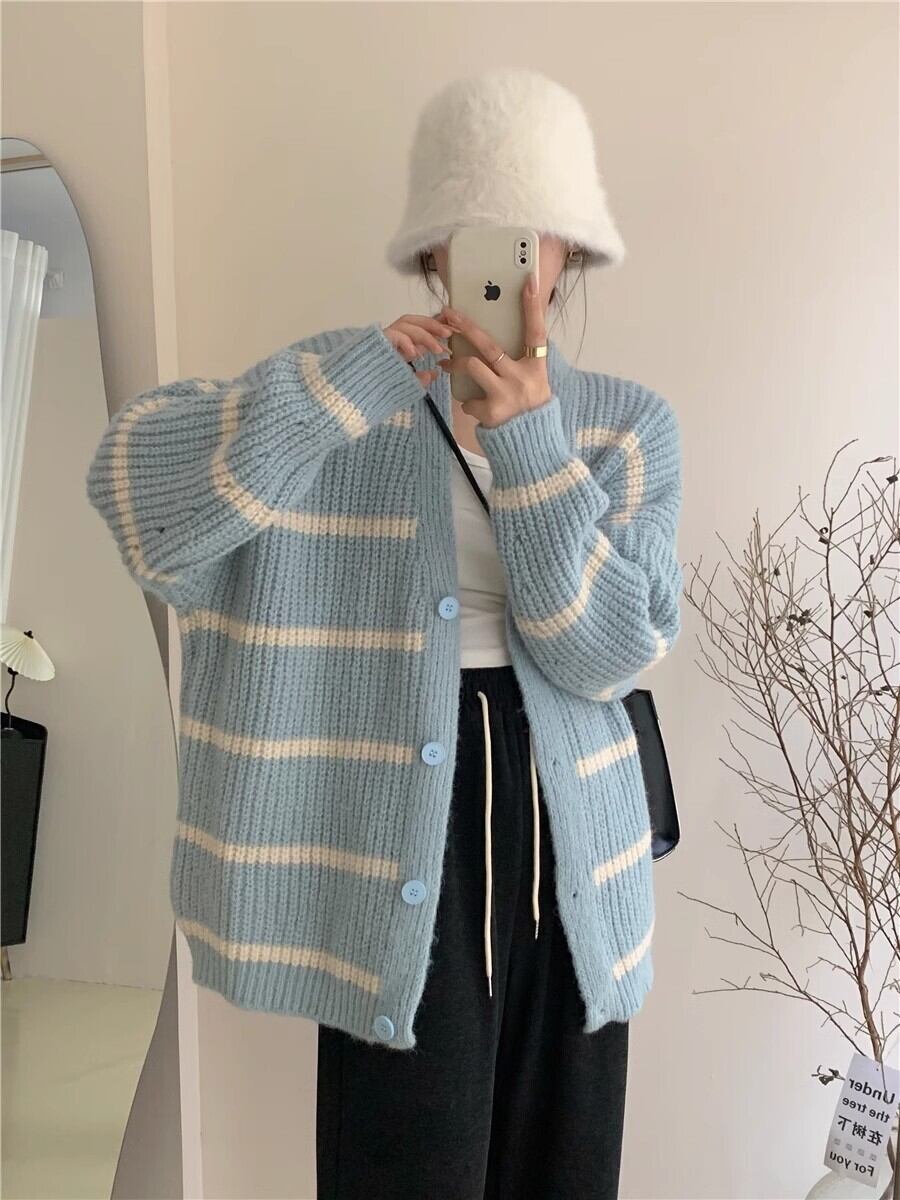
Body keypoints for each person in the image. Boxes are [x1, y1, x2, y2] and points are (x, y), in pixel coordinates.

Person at [86, 66, 682, 1200]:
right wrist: (343, 385)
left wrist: (532, 443)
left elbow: (607, 652)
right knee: (403, 1162)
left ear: (569, 256)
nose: (511, 264)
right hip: (397, 817)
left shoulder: (624, 428)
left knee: (561, 1165)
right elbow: (141, 500)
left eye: (535, 235)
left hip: (577, 836)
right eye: (479, 232)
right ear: (432, 252)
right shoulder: (341, 401)